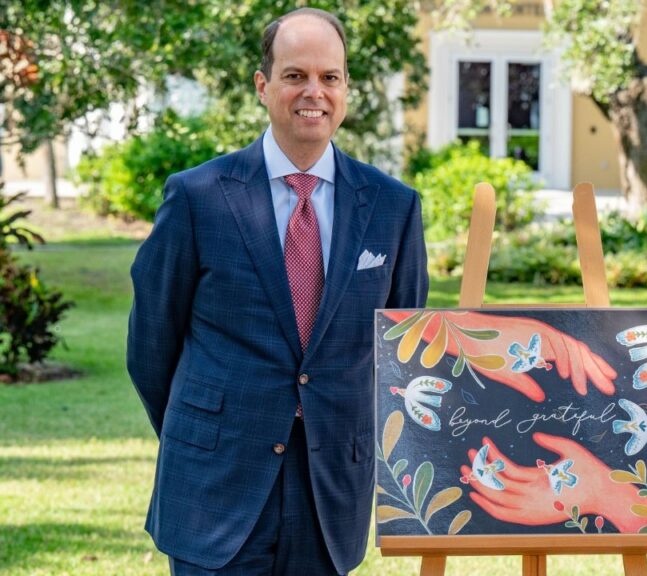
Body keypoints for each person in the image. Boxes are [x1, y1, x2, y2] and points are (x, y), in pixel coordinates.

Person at [126, 8, 427, 575]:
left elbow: (402, 352)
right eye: (295, 75)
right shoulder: (197, 197)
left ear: (345, 89)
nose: (313, 91)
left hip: (330, 487)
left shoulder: (393, 207)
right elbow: (150, 342)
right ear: (263, 86)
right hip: (215, 483)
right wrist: (203, 431)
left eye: (329, 77)